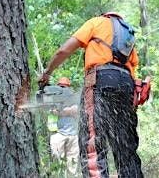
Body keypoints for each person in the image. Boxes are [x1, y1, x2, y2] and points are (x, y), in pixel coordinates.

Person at [39, 12, 144, 178]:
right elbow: (134, 65)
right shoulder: (128, 35)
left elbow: (63, 50)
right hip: (126, 85)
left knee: (93, 145)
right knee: (126, 149)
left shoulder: (96, 22)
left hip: (99, 81)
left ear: (105, 16)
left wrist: (47, 72)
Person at [47, 77, 80, 177]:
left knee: (72, 165)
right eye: (61, 87)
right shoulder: (52, 98)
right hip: (57, 134)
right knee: (57, 163)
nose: (63, 89)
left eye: (65, 87)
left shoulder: (74, 98)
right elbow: (52, 111)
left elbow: (76, 110)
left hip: (73, 135)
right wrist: (66, 111)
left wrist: (63, 111)